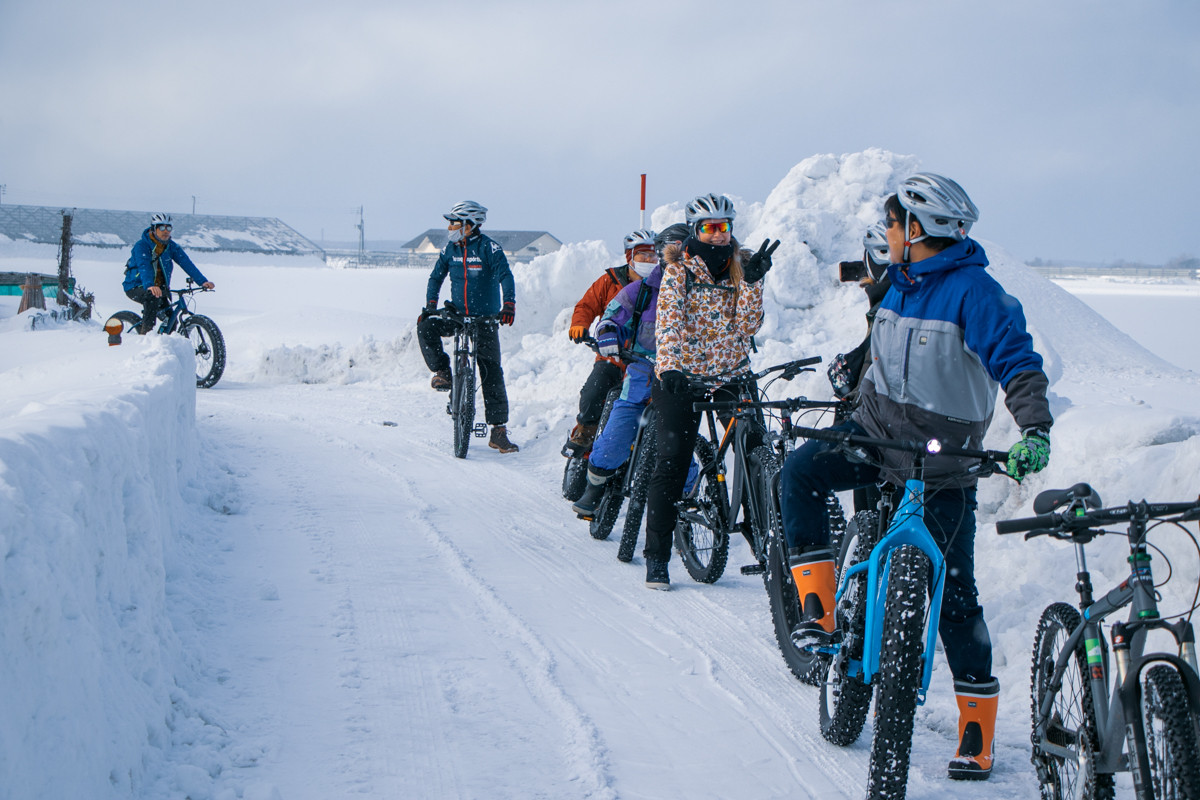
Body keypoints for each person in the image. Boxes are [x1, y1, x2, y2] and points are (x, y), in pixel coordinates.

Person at [778, 173, 1053, 781]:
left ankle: (976, 727)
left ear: (922, 229)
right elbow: (877, 353)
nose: (890, 234)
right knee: (797, 474)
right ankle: (821, 613)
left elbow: (1019, 363)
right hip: (875, 437)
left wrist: (1034, 430)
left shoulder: (977, 295)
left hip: (941, 463)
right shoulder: (897, 285)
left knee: (956, 599)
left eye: (897, 224)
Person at [641, 194, 779, 590]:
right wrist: (669, 367)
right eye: (709, 228)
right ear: (695, 230)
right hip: (681, 376)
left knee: (756, 448)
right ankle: (657, 557)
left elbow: (748, 327)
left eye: (725, 228)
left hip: (732, 373)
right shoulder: (679, 271)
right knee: (673, 459)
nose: (718, 236)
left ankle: (763, 535)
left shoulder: (741, 266)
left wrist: (753, 283)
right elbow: (667, 323)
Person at [570, 224, 691, 526]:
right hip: (640, 378)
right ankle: (595, 485)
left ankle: (686, 506)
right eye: (671, 253)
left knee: (682, 452)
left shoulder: (700, 293)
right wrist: (608, 333)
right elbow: (610, 316)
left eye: (686, 253)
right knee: (615, 435)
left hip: (680, 385)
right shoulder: (638, 291)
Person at [416, 200, 519, 454]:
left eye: (454, 222)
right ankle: (444, 371)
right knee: (425, 326)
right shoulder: (449, 250)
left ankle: (498, 432)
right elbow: (436, 277)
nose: (450, 227)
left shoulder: (489, 248)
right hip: (457, 315)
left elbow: (506, 275)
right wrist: (430, 305)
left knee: (491, 371)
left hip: (485, 319)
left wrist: (508, 305)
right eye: (450, 223)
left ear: (470, 225)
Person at [563, 229, 657, 453]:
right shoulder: (610, 280)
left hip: (649, 361)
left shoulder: (661, 285)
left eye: (653, 256)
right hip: (614, 357)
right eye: (643, 255)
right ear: (630, 257)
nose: (649, 260)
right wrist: (579, 325)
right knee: (594, 389)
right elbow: (587, 305)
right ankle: (586, 431)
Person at [122, 213, 214, 333]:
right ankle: (145, 336)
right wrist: (150, 285)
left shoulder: (171, 246)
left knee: (171, 320)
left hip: (159, 289)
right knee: (151, 298)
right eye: (161, 227)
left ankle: (164, 346)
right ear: (153, 229)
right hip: (136, 286)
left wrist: (202, 281)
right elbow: (144, 266)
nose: (165, 231)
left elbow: (186, 263)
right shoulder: (142, 246)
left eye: (168, 228)